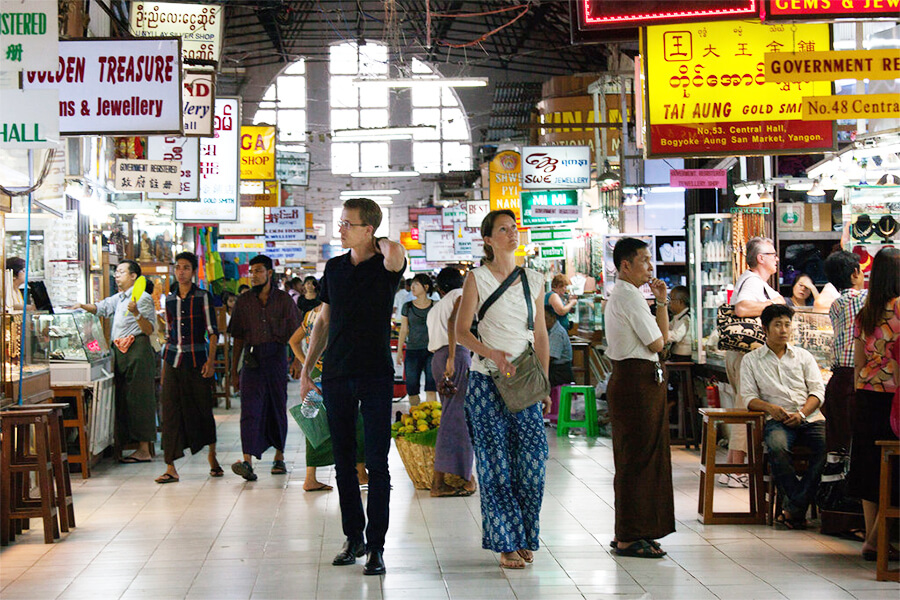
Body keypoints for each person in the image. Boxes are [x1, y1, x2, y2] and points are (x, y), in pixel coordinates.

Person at [300, 197, 406, 576]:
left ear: (368, 230)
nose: (340, 228)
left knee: (377, 463)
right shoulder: (334, 268)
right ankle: (353, 538)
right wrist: (306, 369)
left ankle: (376, 546)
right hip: (338, 373)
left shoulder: (386, 266)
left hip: (376, 373)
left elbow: (397, 252)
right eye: (341, 222)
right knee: (343, 462)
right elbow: (323, 322)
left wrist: (379, 243)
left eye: (348, 223)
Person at [455, 209, 551, 570]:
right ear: (488, 240)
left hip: (523, 381)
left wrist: (542, 383)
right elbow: (462, 331)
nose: (512, 234)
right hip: (485, 382)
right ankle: (506, 542)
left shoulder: (535, 279)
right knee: (495, 466)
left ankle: (525, 534)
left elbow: (539, 334)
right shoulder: (476, 279)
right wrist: (488, 351)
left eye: (514, 229)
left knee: (532, 462)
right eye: (503, 230)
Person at [604, 237, 673, 559]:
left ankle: (640, 530)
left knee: (646, 457)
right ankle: (629, 535)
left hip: (642, 381)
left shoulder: (631, 295)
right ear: (625, 265)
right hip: (636, 383)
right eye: (644, 261)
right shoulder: (628, 296)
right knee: (637, 459)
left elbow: (661, 339)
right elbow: (659, 344)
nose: (650, 267)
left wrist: (660, 302)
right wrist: (657, 307)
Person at [743, 304, 827, 530]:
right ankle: (797, 508)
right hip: (777, 421)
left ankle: (792, 508)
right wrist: (771, 408)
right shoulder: (751, 360)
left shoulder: (804, 356)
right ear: (765, 328)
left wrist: (802, 414)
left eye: (787, 324)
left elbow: (817, 392)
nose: (783, 330)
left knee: (829, 448)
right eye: (777, 325)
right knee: (777, 447)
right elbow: (748, 398)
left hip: (809, 418)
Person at [847, 247, 900, 561]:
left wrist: (860, 389)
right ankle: (876, 540)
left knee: (869, 466)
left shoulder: (864, 312)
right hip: (895, 399)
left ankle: (872, 538)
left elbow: (857, 362)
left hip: (867, 395)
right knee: (895, 467)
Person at [74, 260, 156, 462]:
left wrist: (136, 312)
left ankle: (144, 449)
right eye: (116, 272)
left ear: (134, 276)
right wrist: (81, 306)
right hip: (120, 351)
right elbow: (101, 308)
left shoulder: (143, 298)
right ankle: (127, 443)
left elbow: (149, 329)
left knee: (139, 398)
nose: (116, 275)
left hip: (137, 350)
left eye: (121, 272)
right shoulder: (119, 298)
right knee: (123, 399)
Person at [228, 254, 302, 481]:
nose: (253, 275)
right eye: (251, 271)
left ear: (270, 273)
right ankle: (247, 461)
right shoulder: (244, 301)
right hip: (252, 360)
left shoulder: (283, 300)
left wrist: (297, 360)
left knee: (276, 406)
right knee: (249, 408)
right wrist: (233, 371)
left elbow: (297, 333)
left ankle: (279, 457)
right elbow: (238, 338)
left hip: (277, 357)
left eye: (258, 271)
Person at [724, 236, 786, 487]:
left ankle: (735, 467)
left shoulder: (753, 281)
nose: (776, 259)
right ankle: (737, 469)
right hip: (746, 355)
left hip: (744, 355)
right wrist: (776, 303)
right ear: (760, 258)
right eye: (772, 254)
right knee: (745, 411)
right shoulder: (751, 280)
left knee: (744, 410)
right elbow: (742, 308)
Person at [155, 252, 221, 484]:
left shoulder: (203, 297)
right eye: (178, 267)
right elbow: (169, 334)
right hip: (173, 360)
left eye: (185, 268)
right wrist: (164, 369)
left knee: (202, 408)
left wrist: (211, 361)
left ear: (193, 272)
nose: (181, 272)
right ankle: (170, 466)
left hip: (197, 361)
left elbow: (213, 332)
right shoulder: (170, 299)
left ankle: (212, 457)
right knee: (170, 411)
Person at [288, 302, 368, 492]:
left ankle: (311, 478)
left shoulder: (309, 315)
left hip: (314, 373)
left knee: (314, 425)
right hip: (335, 371)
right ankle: (360, 472)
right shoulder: (337, 311)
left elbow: (293, 341)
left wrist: (306, 364)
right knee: (355, 420)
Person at [426, 267, 476, 497]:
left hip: (438, 358)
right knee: (458, 417)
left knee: (453, 415)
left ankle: (463, 476)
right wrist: (454, 357)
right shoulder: (461, 296)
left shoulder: (436, 306)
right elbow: (456, 322)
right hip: (453, 356)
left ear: (439, 287)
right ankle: (449, 480)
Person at [822, 251, 867, 452]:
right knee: (855, 437)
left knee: (839, 439)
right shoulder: (862, 299)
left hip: (838, 377)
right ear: (855, 273)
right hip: (854, 375)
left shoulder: (836, 304)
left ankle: (837, 479)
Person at [396, 273, 437, 406]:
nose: (412, 287)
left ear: (426, 287)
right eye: (412, 284)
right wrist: (399, 350)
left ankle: (433, 419)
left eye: (416, 284)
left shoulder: (435, 305)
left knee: (431, 387)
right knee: (412, 388)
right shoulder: (407, 307)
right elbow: (403, 329)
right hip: (412, 350)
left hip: (432, 350)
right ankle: (415, 419)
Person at [545, 308, 574, 388]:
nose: (543, 322)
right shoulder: (549, 331)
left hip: (560, 373)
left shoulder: (557, 333)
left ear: (553, 318)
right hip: (555, 370)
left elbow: (550, 357)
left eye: (546, 318)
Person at [667, 285, 692, 362]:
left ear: (680, 302)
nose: (669, 303)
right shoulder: (678, 317)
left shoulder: (686, 318)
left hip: (682, 357)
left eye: (671, 299)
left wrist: (663, 335)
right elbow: (669, 326)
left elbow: (676, 336)